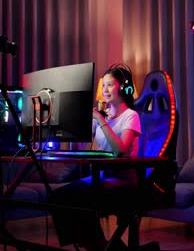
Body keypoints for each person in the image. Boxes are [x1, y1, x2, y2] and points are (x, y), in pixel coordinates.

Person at [48, 63, 142, 251]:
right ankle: (95, 245)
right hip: (101, 178)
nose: (104, 90)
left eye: (109, 85)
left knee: (74, 197)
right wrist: (77, 124)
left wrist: (100, 121)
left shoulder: (131, 116)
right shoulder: (102, 117)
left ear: (123, 88)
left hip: (124, 182)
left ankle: (98, 246)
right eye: (103, 85)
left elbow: (120, 150)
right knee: (59, 196)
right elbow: (80, 145)